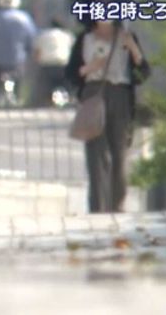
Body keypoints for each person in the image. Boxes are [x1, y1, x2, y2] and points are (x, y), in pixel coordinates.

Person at [65, 19, 150, 213]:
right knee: (96, 155)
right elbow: (71, 74)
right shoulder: (84, 39)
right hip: (93, 94)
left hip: (120, 95)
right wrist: (89, 68)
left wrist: (134, 50)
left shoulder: (127, 36)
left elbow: (143, 74)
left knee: (119, 154)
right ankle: (97, 208)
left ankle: (117, 206)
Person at [33, 18, 75, 106]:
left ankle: (43, 102)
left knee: (44, 88)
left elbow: (37, 53)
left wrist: (38, 63)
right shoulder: (67, 35)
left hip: (47, 65)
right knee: (67, 87)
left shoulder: (43, 35)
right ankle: (70, 100)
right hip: (63, 64)